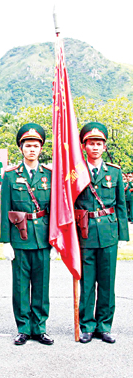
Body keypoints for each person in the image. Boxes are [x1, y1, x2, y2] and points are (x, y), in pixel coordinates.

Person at [0, 123, 57, 346]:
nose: (32, 149)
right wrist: (5, 241)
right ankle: (23, 328)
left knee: (42, 286)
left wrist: (55, 241)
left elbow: (55, 210)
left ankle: (40, 328)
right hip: (20, 237)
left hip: (43, 238)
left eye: (36, 145)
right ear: (21, 148)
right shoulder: (11, 176)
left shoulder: (50, 175)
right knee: (21, 286)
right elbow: (5, 208)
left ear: (41, 149)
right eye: (27, 145)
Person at [75, 122, 129, 344]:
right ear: (84, 146)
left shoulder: (114, 172)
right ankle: (86, 325)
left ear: (104, 147)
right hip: (85, 233)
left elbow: (121, 205)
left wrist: (123, 236)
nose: (95, 147)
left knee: (107, 282)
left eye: (99, 143)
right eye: (91, 143)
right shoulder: (76, 172)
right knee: (87, 282)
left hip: (108, 232)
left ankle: (104, 325)